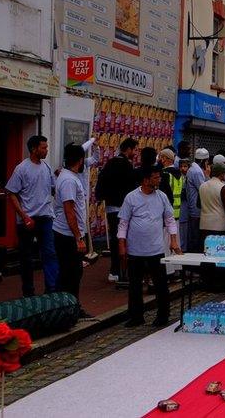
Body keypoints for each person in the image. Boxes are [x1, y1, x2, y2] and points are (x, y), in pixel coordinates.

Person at [118, 166, 182, 328]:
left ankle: (163, 316)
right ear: (145, 180)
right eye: (155, 178)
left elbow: (169, 220)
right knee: (135, 285)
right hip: (135, 250)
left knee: (161, 284)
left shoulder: (161, 197)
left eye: (159, 177)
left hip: (156, 249)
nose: (158, 180)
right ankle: (136, 316)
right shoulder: (131, 198)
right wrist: (122, 245)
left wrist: (173, 240)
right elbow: (123, 223)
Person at [5, 135, 57, 297]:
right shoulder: (21, 169)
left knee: (49, 253)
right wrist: (23, 215)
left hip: (45, 217)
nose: (46, 150)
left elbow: (53, 189)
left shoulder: (46, 167)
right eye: (43, 147)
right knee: (26, 258)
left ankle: (51, 289)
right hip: (27, 219)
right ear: (34, 149)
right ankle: (28, 292)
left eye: (46, 147)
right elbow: (11, 193)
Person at [95, 137, 139, 283]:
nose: (136, 153)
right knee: (123, 239)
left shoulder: (110, 164)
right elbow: (133, 189)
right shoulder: (127, 166)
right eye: (135, 150)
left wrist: (101, 197)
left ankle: (114, 271)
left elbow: (101, 182)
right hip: (124, 209)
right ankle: (122, 271)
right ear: (128, 149)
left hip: (110, 207)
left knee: (115, 239)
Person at [52, 144, 88, 307]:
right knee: (71, 274)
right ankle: (69, 308)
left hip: (69, 234)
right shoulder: (68, 180)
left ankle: (71, 307)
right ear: (81, 160)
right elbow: (69, 211)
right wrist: (78, 238)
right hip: (66, 235)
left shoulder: (69, 177)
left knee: (73, 272)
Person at [198, 162, 225, 292]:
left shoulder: (202, 186)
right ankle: (218, 283)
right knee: (219, 254)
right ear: (221, 173)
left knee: (207, 254)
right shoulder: (222, 187)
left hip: (204, 224)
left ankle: (206, 281)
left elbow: (198, 204)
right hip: (219, 224)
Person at [181, 148, 209, 253]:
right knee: (196, 238)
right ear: (204, 161)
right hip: (196, 210)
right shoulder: (197, 172)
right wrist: (207, 175)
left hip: (194, 208)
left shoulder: (193, 169)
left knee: (194, 237)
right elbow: (204, 189)